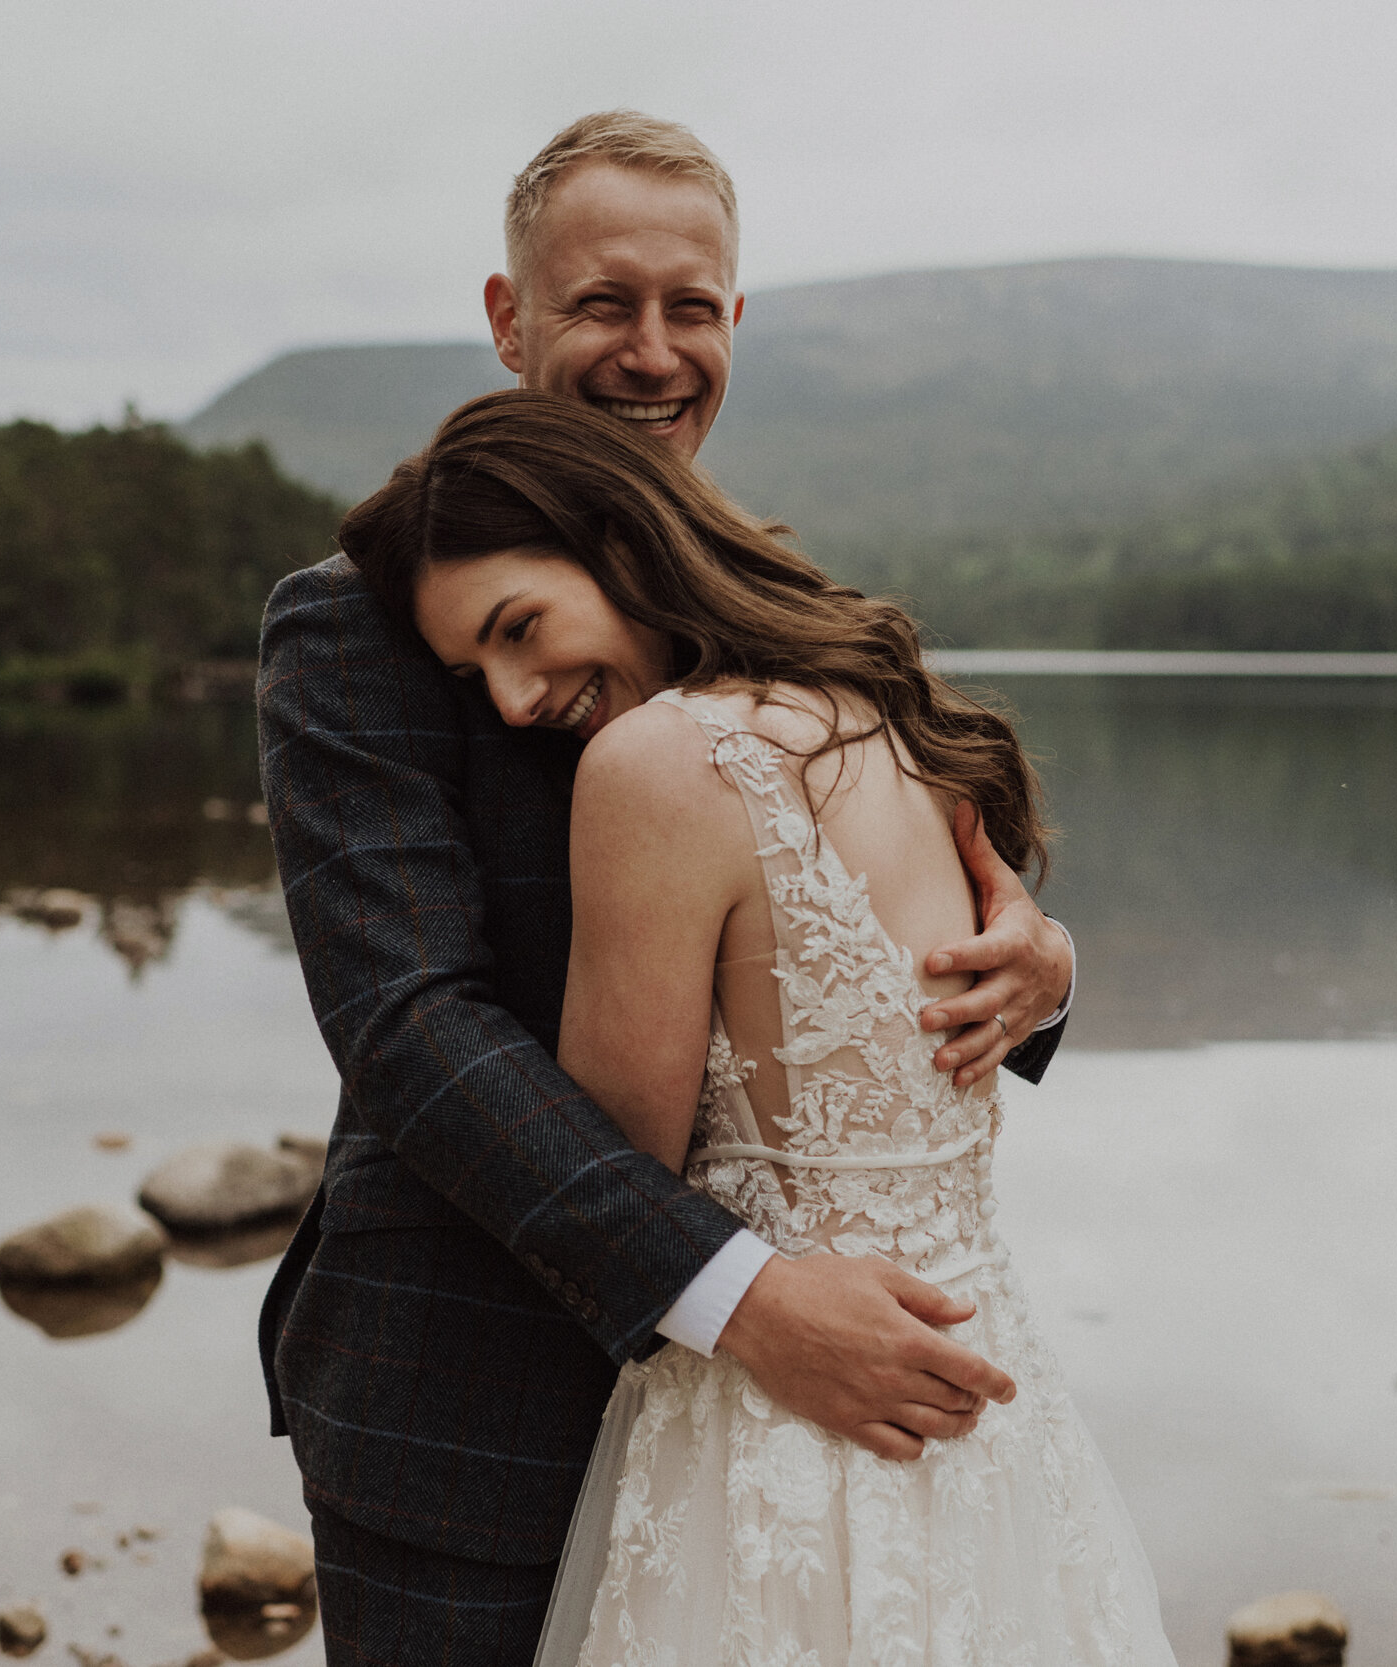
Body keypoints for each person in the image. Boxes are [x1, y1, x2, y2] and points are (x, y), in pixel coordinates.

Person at [256, 111, 1081, 1664]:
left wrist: (1035, 968)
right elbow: (413, 1023)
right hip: (472, 1406)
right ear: (509, 321)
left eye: (688, 308)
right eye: (601, 304)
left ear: (733, 326)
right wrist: (745, 1298)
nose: (651, 352)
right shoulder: (361, 622)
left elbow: (907, 921)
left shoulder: (787, 615)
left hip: (786, 1441)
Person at [335, 388, 1176, 1666]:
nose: (508, 700)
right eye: (472, 672)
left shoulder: (653, 761)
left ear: (618, 544)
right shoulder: (885, 711)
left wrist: (1047, 972)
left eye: (521, 630)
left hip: (774, 1432)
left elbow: (619, 1139)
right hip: (976, 1407)